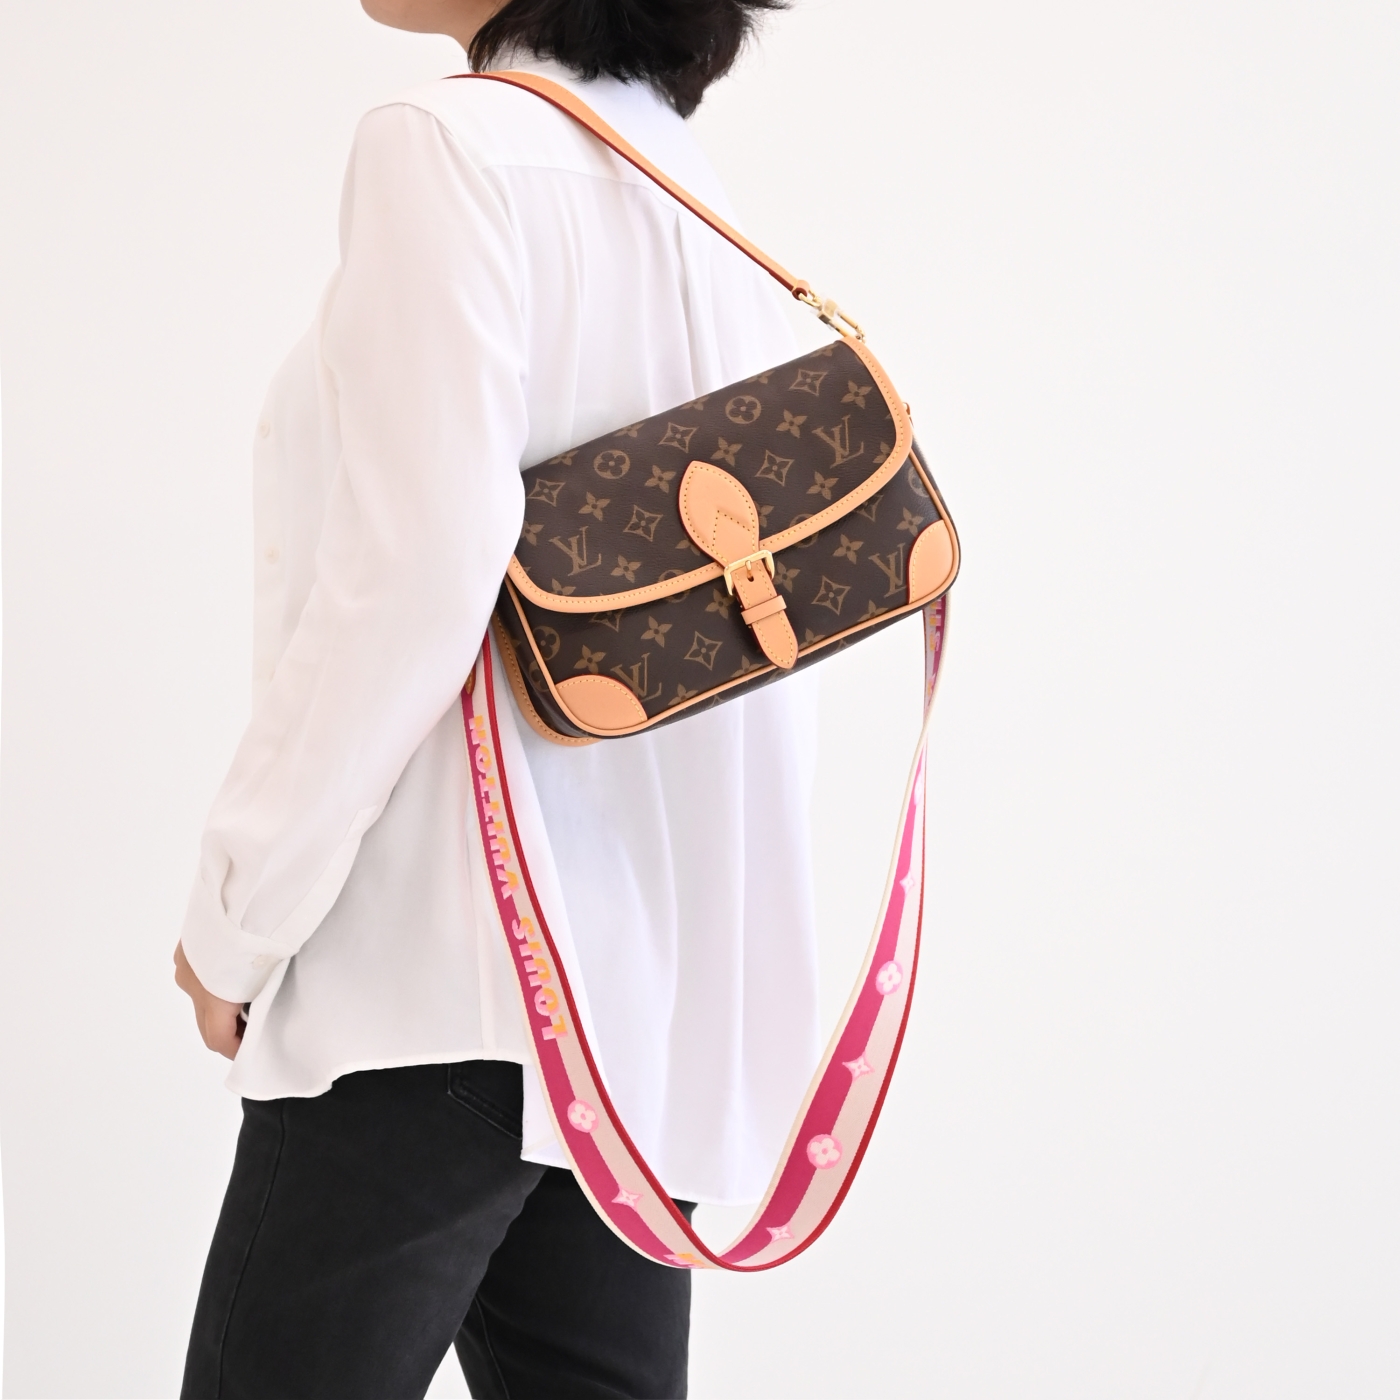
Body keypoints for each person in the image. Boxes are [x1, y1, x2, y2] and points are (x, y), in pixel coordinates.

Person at [175, 1, 823, 1395]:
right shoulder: (687, 189)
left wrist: (240, 912)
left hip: (435, 979)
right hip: (631, 1018)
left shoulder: (444, 145)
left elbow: (416, 567)